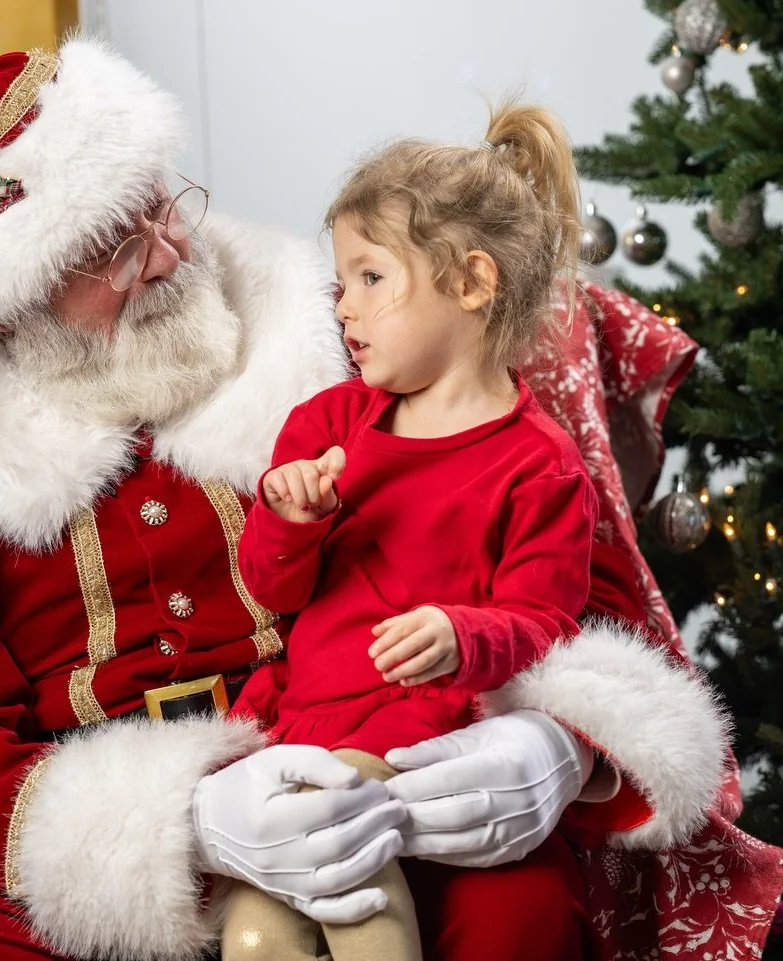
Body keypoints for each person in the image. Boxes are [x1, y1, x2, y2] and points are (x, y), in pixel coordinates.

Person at [0, 36, 740, 961]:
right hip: (102, 877)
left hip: (362, 779)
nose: (168, 254)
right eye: (112, 251)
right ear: (9, 301)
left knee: (515, 903)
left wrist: (557, 742)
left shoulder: (336, 327)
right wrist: (188, 825)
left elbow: (572, 558)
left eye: (163, 206)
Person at [219, 103, 596, 960]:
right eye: (340, 279)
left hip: (423, 752)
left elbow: (548, 628)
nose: (342, 304)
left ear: (470, 282)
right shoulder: (328, 423)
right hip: (301, 737)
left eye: (370, 277)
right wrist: (289, 519)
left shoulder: (540, 465)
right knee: (252, 937)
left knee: (352, 886)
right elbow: (272, 593)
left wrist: (465, 634)